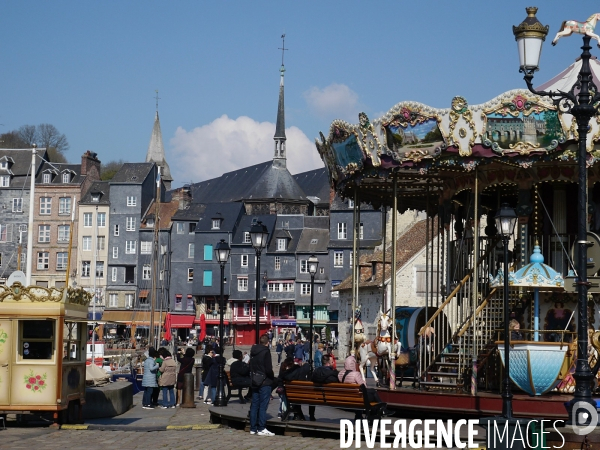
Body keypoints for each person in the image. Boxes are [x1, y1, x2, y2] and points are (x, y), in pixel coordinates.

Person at [249, 334, 275, 436]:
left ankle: (252, 428)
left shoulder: (253, 351)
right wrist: (271, 377)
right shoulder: (266, 352)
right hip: (264, 381)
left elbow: (250, 365)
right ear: (267, 342)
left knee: (254, 404)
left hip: (255, 379)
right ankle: (261, 428)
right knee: (263, 405)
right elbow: (268, 368)